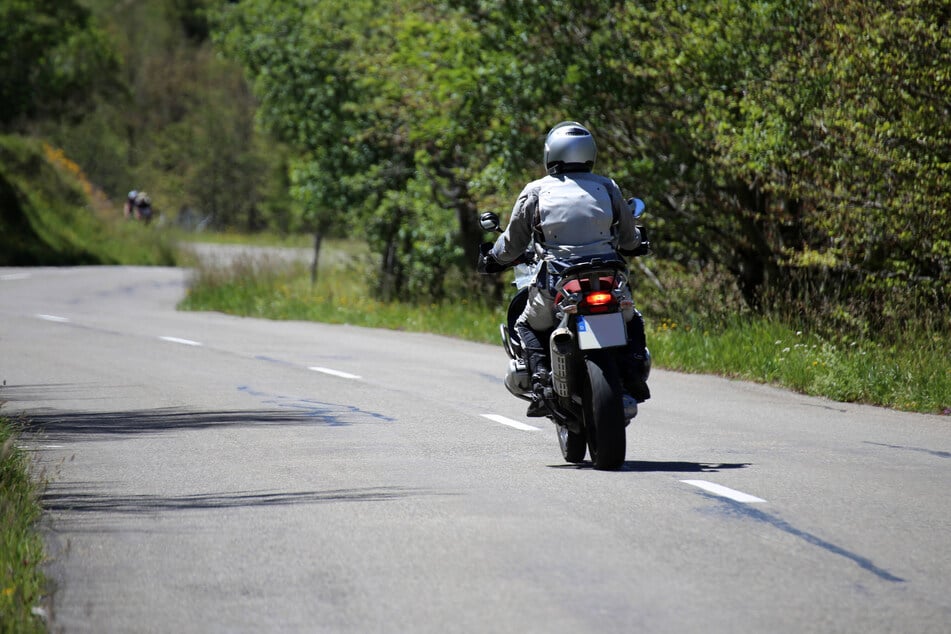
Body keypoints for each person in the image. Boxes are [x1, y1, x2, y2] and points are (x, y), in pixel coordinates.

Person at [480, 121, 650, 416]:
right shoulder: (608, 186)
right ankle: (633, 368)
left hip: (560, 281)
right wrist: (637, 243)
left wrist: (492, 258)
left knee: (525, 324)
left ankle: (543, 380)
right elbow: (629, 237)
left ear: (551, 153)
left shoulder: (536, 191)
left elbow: (512, 243)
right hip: (607, 279)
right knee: (631, 317)